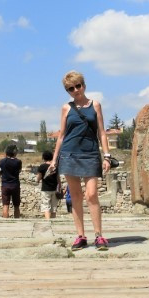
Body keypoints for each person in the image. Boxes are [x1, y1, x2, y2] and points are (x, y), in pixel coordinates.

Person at [49, 71, 112, 250]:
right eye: (71, 88)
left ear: (84, 85)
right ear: (67, 91)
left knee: (91, 194)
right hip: (69, 154)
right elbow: (61, 135)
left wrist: (107, 156)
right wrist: (54, 159)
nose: (76, 90)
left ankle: (99, 235)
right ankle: (80, 236)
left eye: (78, 86)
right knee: (75, 196)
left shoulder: (96, 105)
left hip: (90, 154)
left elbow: (101, 132)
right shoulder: (66, 108)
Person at [0, 143, 23, 218]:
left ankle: (5, 221)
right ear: (15, 152)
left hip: (5, 185)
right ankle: (17, 221)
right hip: (15, 185)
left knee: (5, 205)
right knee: (16, 206)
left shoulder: (2, 161)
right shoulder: (18, 162)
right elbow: (19, 171)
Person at [35, 150, 60, 220]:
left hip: (45, 189)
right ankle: (53, 221)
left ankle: (48, 221)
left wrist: (37, 180)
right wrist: (60, 187)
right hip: (54, 189)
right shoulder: (55, 166)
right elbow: (58, 178)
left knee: (46, 206)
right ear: (52, 157)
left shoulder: (42, 167)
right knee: (54, 207)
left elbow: (39, 178)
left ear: (43, 158)